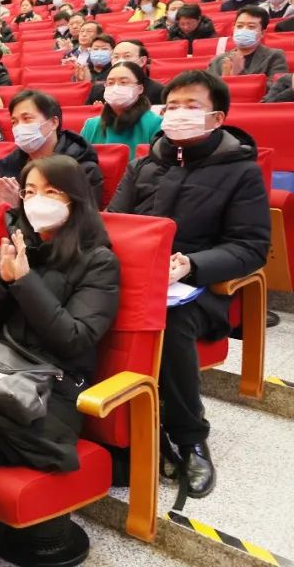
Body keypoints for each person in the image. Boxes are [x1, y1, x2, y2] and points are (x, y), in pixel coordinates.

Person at [107, 70, 270, 498]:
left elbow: (252, 247)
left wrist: (192, 265)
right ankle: (114, 424)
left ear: (217, 118)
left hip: (198, 289)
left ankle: (190, 436)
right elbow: (114, 223)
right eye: (173, 106)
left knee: (169, 322)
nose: (179, 114)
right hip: (137, 278)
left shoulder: (241, 172)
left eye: (191, 106)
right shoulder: (146, 163)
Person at [0, 155, 120, 472]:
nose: (37, 201)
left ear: (75, 199)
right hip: (0, 373)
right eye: (30, 192)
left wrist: (24, 281)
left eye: (50, 192)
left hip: (50, 393)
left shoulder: (99, 261)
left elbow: (73, 340)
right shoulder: (21, 245)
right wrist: (1, 280)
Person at [0, 90, 104, 209]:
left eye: (27, 118)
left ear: (54, 122)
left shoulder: (82, 167)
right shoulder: (10, 167)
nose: (19, 127)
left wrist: (18, 207)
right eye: (14, 122)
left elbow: (83, 216)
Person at [81, 62, 163, 150]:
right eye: (110, 83)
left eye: (123, 82)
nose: (115, 88)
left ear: (140, 89)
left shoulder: (155, 124)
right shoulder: (91, 125)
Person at [208, 6, 289, 83]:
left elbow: (276, 87)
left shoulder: (274, 56)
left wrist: (238, 74)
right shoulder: (217, 61)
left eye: (251, 27)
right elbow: (208, 89)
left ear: (262, 33)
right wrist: (226, 77)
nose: (244, 30)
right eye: (239, 26)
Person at [80, 35, 117, 101]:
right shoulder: (83, 71)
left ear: (113, 51)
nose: (99, 52)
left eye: (104, 49)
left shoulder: (116, 71)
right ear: (90, 51)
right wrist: (83, 83)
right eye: (96, 49)